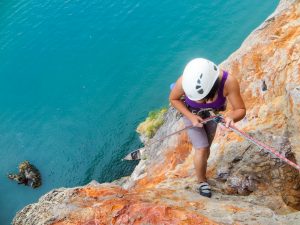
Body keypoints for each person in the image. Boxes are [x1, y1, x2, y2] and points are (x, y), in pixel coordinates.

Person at [169, 58, 246, 198]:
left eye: (204, 97)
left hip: (212, 114)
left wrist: (231, 118)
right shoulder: (184, 81)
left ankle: (201, 168)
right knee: (202, 147)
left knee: (206, 148)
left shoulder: (229, 82)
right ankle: (201, 181)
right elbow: (174, 99)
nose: (201, 101)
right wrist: (191, 117)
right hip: (190, 113)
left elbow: (240, 109)